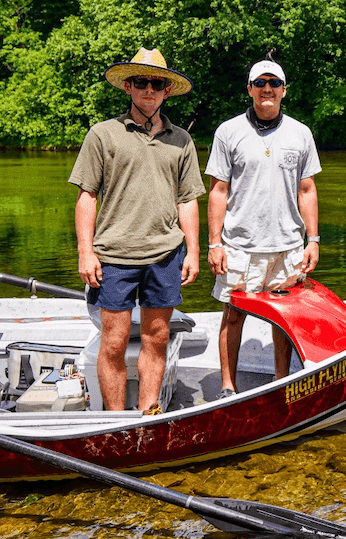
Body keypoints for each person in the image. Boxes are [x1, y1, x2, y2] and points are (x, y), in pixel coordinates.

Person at [69, 47, 205, 413]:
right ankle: (113, 421)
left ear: (165, 90)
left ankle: (148, 413)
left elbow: (188, 200)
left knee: (156, 337)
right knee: (112, 342)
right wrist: (86, 251)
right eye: (141, 82)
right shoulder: (102, 135)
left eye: (157, 83)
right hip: (113, 255)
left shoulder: (182, 140)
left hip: (165, 254)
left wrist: (193, 251)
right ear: (128, 87)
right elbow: (86, 197)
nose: (149, 89)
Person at [206, 59, 321, 398]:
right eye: (260, 82)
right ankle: (228, 386)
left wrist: (312, 240)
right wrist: (214, 243)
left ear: (284, 90)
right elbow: (218, 191)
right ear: (250, 89)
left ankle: (282, 379)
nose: (267, 88)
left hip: (288, 246)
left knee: (283, 319)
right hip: (240, 246)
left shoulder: (301, 133)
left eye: (274, 83)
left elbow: (307, 190)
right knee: (233, 315)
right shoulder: (228, 131)